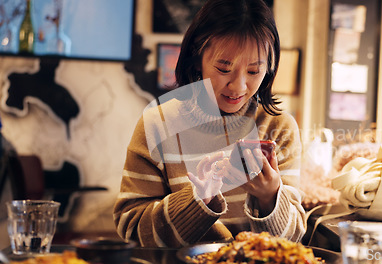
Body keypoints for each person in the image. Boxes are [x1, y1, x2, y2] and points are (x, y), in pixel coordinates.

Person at [113, 0, 306, 248]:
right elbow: (131, 228)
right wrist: (196, 202)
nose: (238, 86)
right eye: (224, 68)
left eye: (254, 71)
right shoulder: (158, 123)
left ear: (268, 68)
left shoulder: (278, 126)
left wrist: (270, 196)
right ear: (197, 58)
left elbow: (293, 242)